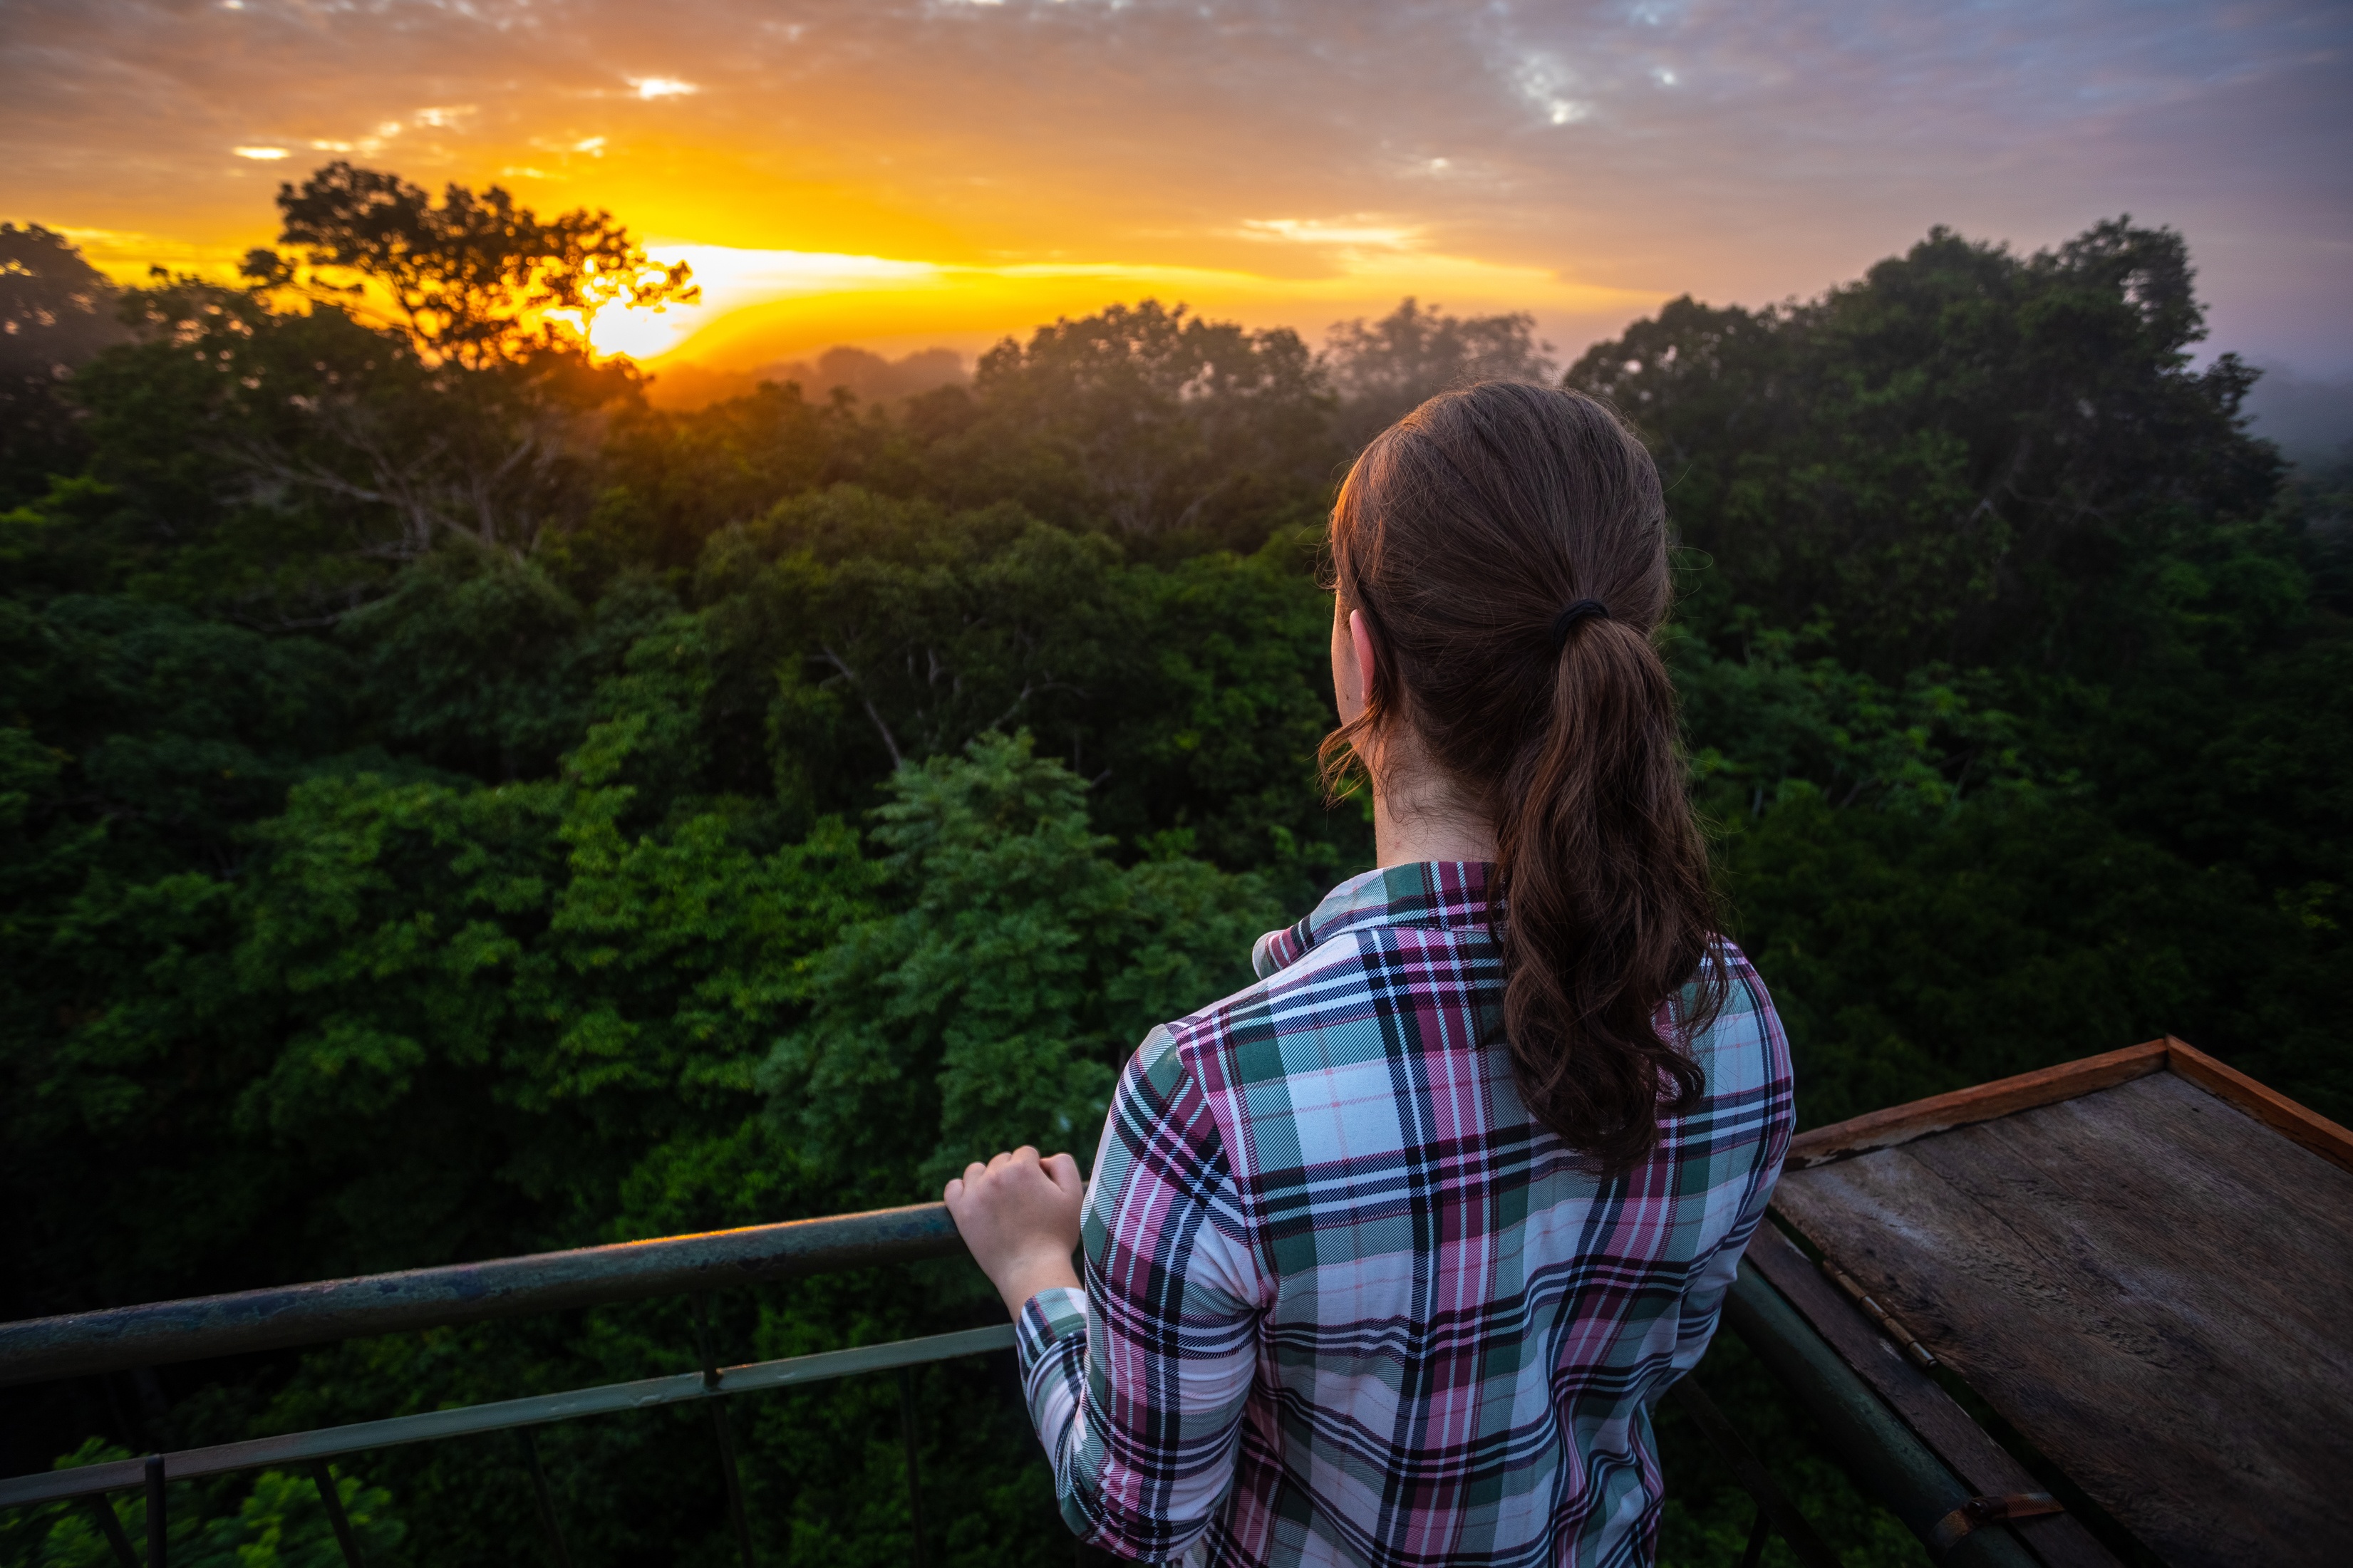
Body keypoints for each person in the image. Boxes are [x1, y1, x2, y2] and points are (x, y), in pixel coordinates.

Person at [945, 381, 1794, 1567]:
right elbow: (1660, 1352)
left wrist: (1037, 1268)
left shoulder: (1211, 1095)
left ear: (1359, 657)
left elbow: (1136, 1516)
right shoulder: (1731, 1015)